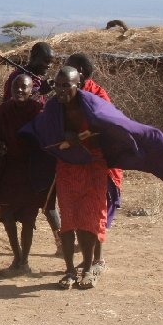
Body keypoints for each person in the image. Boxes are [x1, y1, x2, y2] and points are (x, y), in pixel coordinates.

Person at [22, 66, 163, 289]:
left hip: (93, 166)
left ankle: (88, 269)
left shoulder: (93, 105)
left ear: (77, 86)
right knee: (69, 221)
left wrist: (82, 140)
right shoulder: (53, 108)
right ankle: (69, 270)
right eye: (57, 85)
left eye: (65, 86)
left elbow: (112, 127)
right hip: (67, 167)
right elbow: (42, 130)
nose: (60, 90)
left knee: (88, 221)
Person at [64, 52, 122, 275]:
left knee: (96, 211)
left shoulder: (97, 94)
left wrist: (82, 137)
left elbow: (106, 125)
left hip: (98, 161)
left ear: (80, 71)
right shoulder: (66, 93)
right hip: (73, 164)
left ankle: (98, 259)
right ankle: (88, 260)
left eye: (69, 67)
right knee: (79, 212)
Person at [2, 41, 62, 253]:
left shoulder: (38, 79)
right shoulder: (17, 79)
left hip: (39, 150)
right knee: (7, 203)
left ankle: (61, 243)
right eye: (44, 61)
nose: (47, 66)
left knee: (47, 200)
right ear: (33, 56)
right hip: (17, 151)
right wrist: (38, 93)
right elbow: (11, 107)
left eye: (51, 63)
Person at [0, 74, 49, 276]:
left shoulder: (38, 111)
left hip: (32, 171)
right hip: (9, 169)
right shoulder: (3, 110)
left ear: (32, 90)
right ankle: (17, 256)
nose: (20, 91)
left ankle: (24, 262)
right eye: (16, 87)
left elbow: (45, 140)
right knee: (7, 216)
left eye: (24, 87)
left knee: (28, 219)